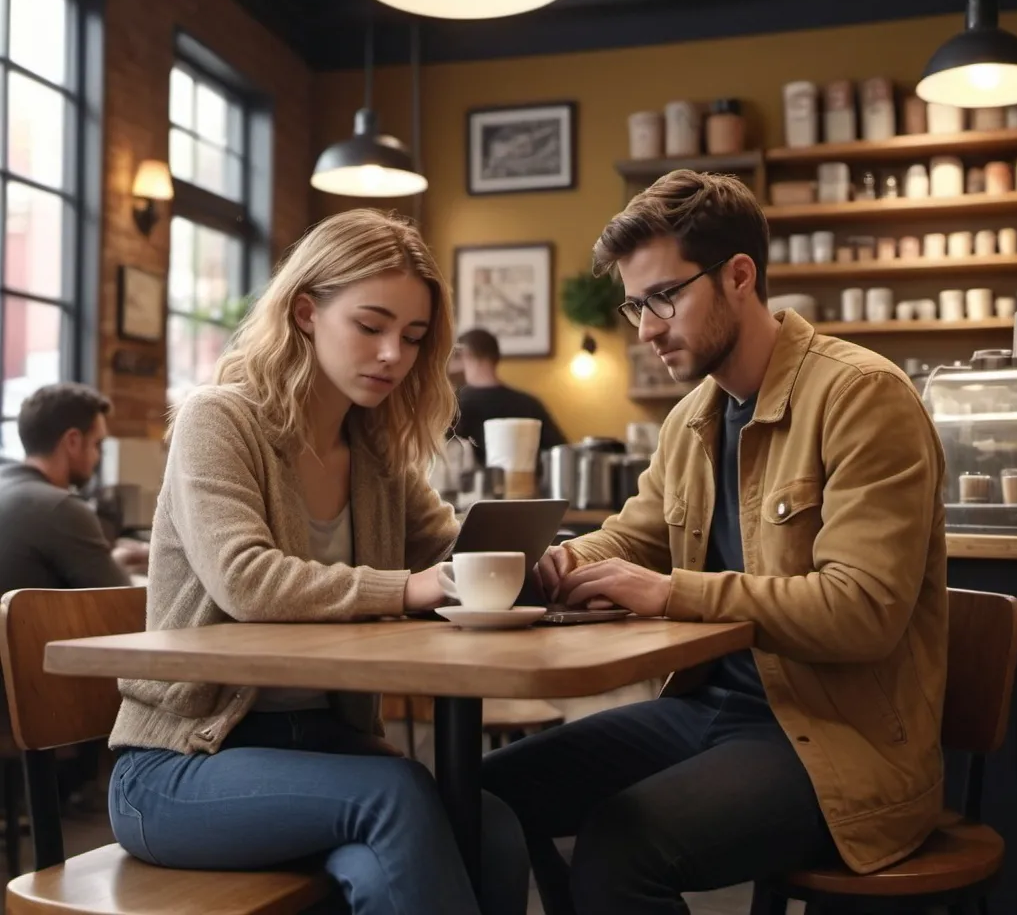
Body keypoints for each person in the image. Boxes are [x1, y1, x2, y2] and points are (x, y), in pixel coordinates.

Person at [482, 170, 948, 915]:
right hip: (706, 712)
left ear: (739, 276)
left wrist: (672, 594)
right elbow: (634, 538)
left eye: (665, 297)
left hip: (839, 740)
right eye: (636, 304)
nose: (646, 329)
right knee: (481, 800)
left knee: (620, 847)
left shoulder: (863, 395)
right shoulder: (692, 417)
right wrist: (568, 559)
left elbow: (863, 610)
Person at [106, 210, 528, 915]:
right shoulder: (220, 420)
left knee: (492, 829)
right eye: (371, 326)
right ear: (306, 310)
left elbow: (451, 549)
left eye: (415, 337)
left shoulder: (375, 453)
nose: (394, 353)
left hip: (322, 752)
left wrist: (545, 563)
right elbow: (247, 579)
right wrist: (412, 586)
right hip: (180, 765)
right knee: (398, 798)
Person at [0, 383, 142, 595]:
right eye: (97, 444)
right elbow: (123, 603)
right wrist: (118, 559)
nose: (98, 457)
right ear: (73, 441)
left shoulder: (6, 486)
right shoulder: (60, 508)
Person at [453, 328, 566, 466]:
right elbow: (559, 453)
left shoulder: (453, 405)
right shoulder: (529, 404)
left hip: (468, 486)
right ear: (496, 357)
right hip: (526, 484)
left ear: (465, 355)